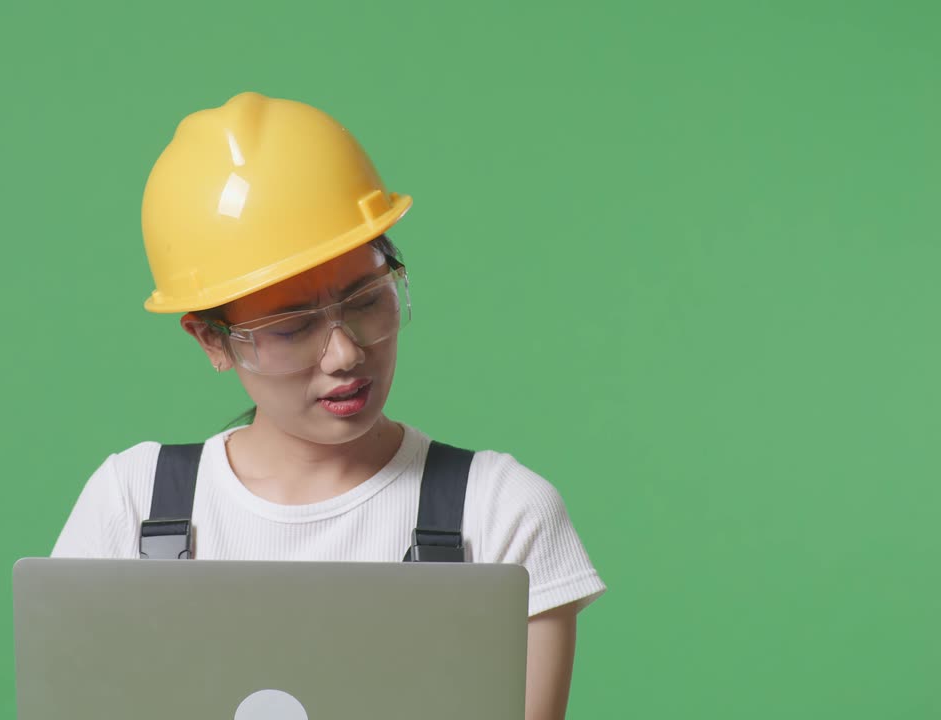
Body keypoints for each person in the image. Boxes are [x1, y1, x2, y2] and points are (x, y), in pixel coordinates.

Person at [51, 91, 607, 720]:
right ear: (212, 339)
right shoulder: (131, 505)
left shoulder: (503, 513)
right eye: (291, 327)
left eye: (367, 298)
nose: (344, 354)